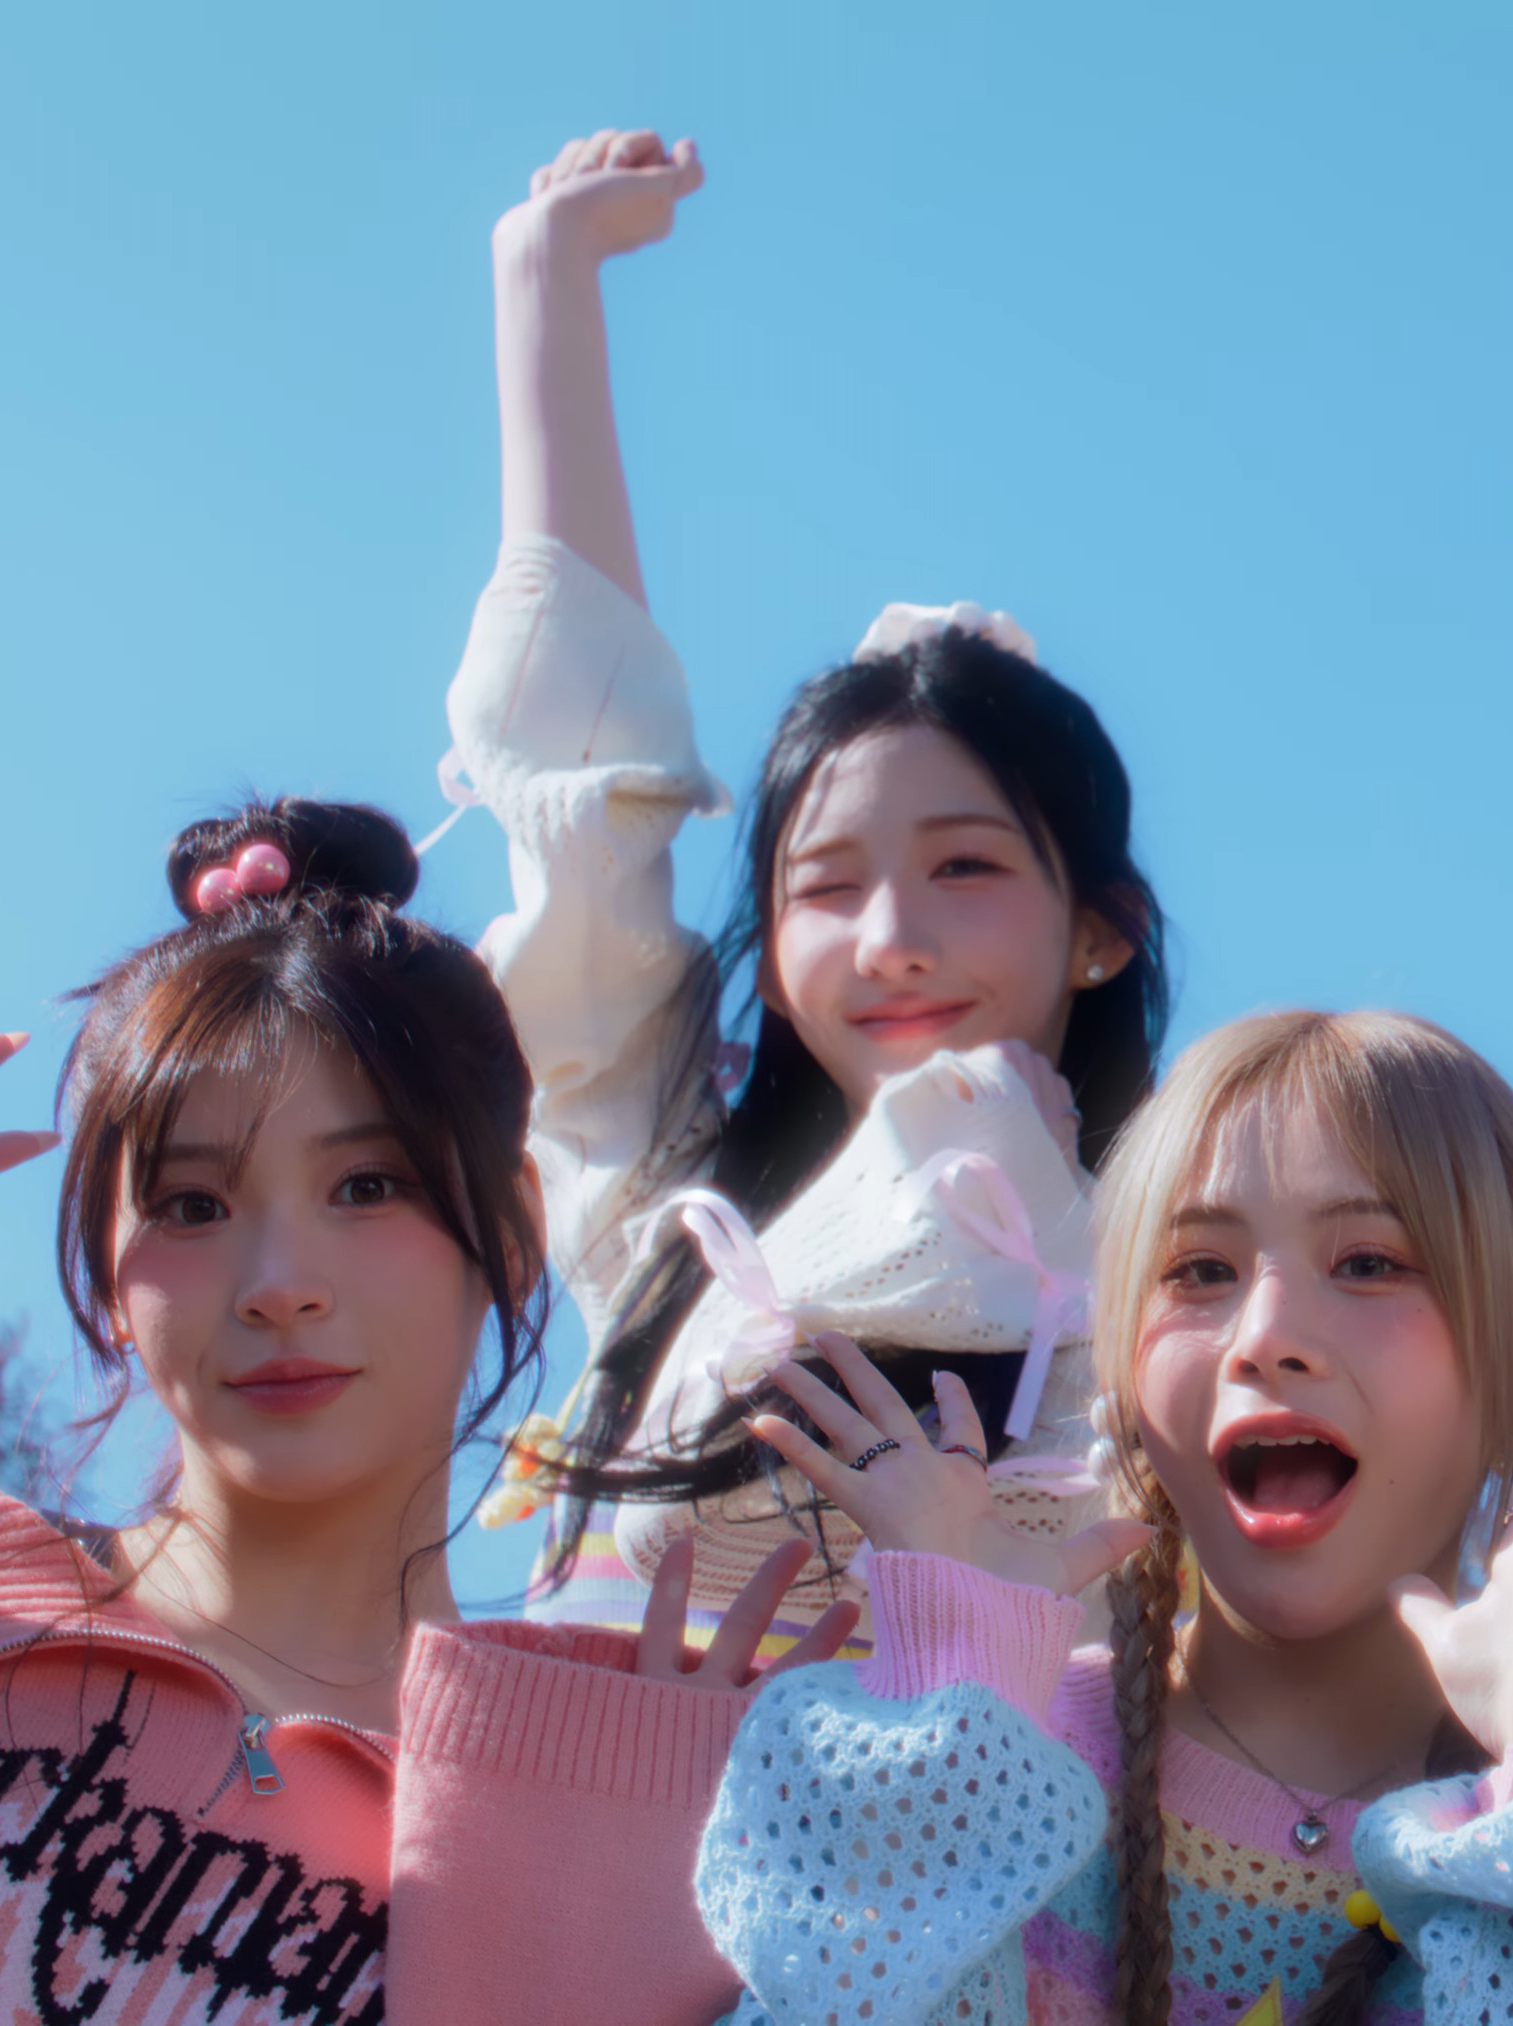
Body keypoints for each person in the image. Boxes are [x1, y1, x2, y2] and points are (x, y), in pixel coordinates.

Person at [0, 801, 849, 2021]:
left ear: (515, 1229)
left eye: (367, 1187)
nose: (280, 1282)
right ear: (107, 1275)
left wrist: (611, 1879)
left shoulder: (585, 1805)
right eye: (191, 1204)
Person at [442, 129, 1168, 1639]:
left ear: (1099, 931)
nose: (892, 939)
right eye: (827, 885)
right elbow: (585, 777)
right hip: (580, 1787)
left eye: (964, 865)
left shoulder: (1178, 1267)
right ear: (768, 953)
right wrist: (546, 278)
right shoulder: (671, 1207)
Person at [692, 1012, 1513, 2024]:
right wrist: (947, 1692)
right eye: (1200, 1272)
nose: (1265, 1335)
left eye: (1368, 1262)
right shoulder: (988, 1755)